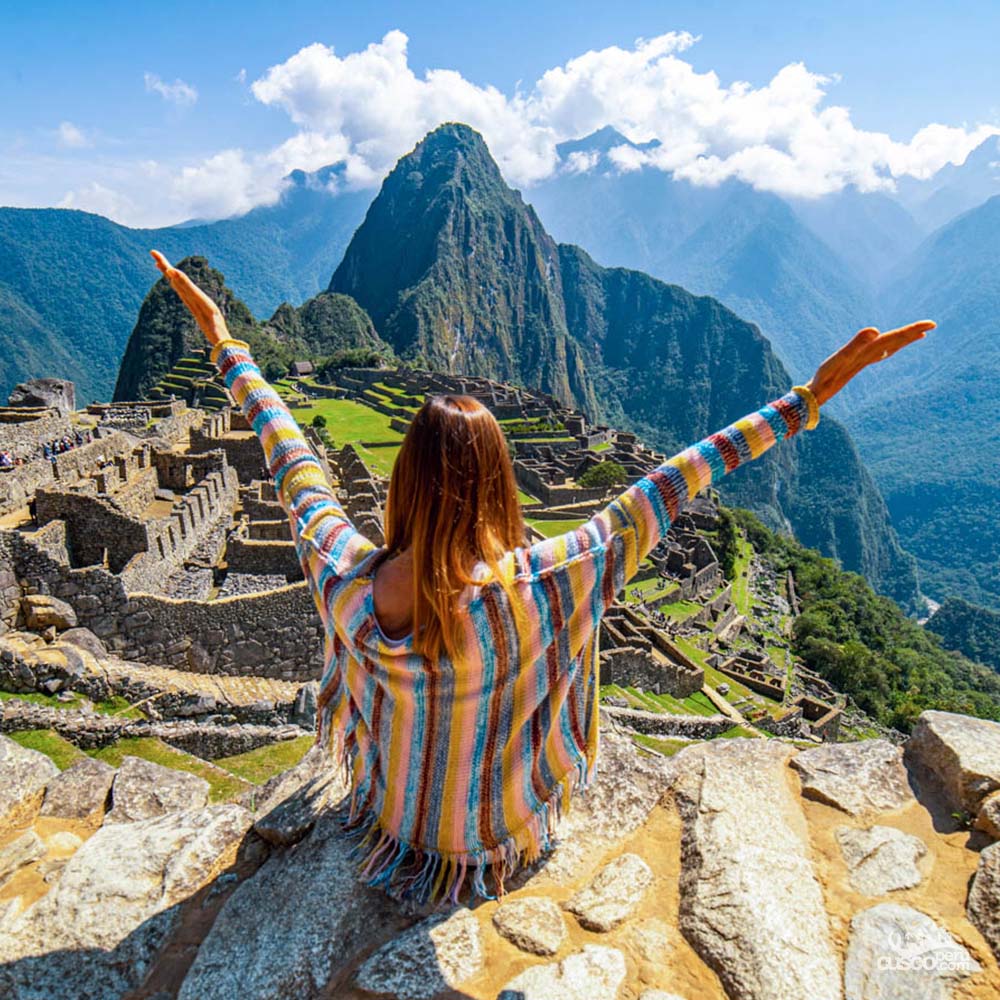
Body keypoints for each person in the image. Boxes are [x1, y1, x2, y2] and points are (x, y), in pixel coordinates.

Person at [149, 249, 932, 904]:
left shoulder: (344, 574)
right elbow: (673, 481)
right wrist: (804, 403)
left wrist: (227, 342)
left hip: (391, 820)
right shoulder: (546, 583)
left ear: (406, 482)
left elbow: (291, 456)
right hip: (495, 835)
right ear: (498, 482)